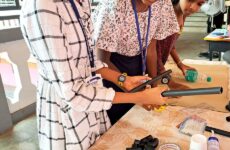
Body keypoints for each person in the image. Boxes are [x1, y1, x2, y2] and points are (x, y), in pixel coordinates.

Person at [20, 0, 167, 149]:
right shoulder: (43, 7)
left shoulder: (80, 3)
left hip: (91, 100)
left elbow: (89, 61)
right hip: (65, 108)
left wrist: (123, 80)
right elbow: (72, 92)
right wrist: (139, 97)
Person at [93, 0, 179, 124]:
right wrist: (138, 96)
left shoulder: (162, 3)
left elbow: (150, 50)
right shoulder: (116, 4)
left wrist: (153, 89)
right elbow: (101, 61)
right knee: (118, 121)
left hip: (138, 62)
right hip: (111, 68)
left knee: (137, 118)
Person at [154, 0, 205, 89]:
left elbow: (171, 45)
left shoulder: (182, 16)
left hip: (158, 69)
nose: (192, 7)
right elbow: (153, 51)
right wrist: (169, 82)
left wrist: (180, 64)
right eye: (189, 0)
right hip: (148, 69)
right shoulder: (166, 16)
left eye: (199, 4)